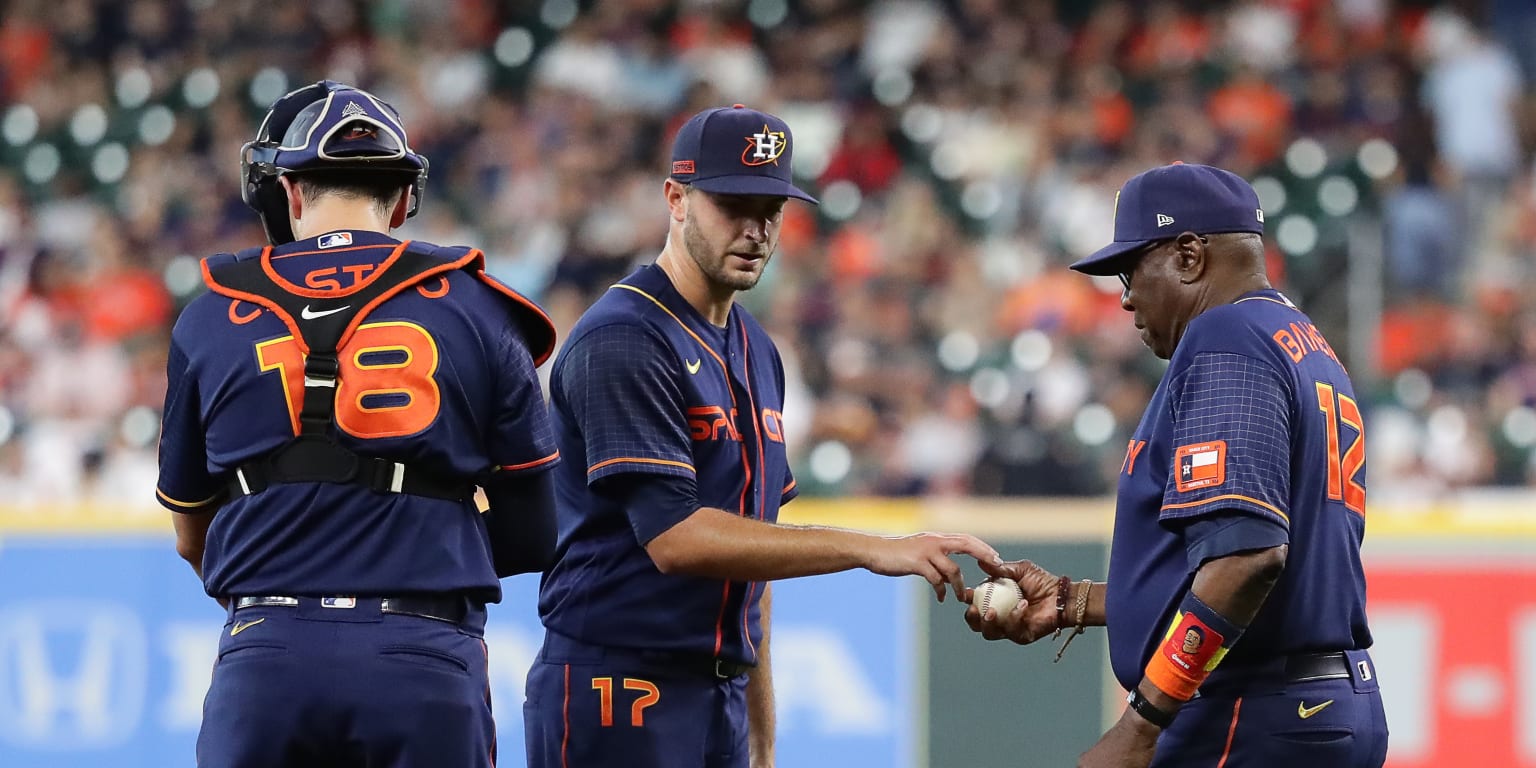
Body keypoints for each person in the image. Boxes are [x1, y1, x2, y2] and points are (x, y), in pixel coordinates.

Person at [522, 104, 1002, 768]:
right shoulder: (624, 337)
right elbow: (676, 539)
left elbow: (754, 558)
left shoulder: (756, 347)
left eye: (770, 210)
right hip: (616, 684)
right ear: (677, 199)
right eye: (733, 205)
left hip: (717, 691)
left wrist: (762, 733)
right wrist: (875, 549)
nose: (756, 230)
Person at [156, 80, 559, 768]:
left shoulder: (210, 312)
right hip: (422, 653)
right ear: (404, 199)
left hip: (266, 650)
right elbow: (534, 531)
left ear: (289, 193)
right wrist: (413, 534)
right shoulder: (480, 306)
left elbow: (194, 533)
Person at [964, 163, 1389, 767]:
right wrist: (1076, 601)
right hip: (1310, 702)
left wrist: (1139, 727)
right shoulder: (1299, 339)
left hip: (1252, 709)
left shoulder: (1227, 336)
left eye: (1132, 270)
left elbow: (1248, 559)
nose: (1127, 296)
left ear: (1189, 256)